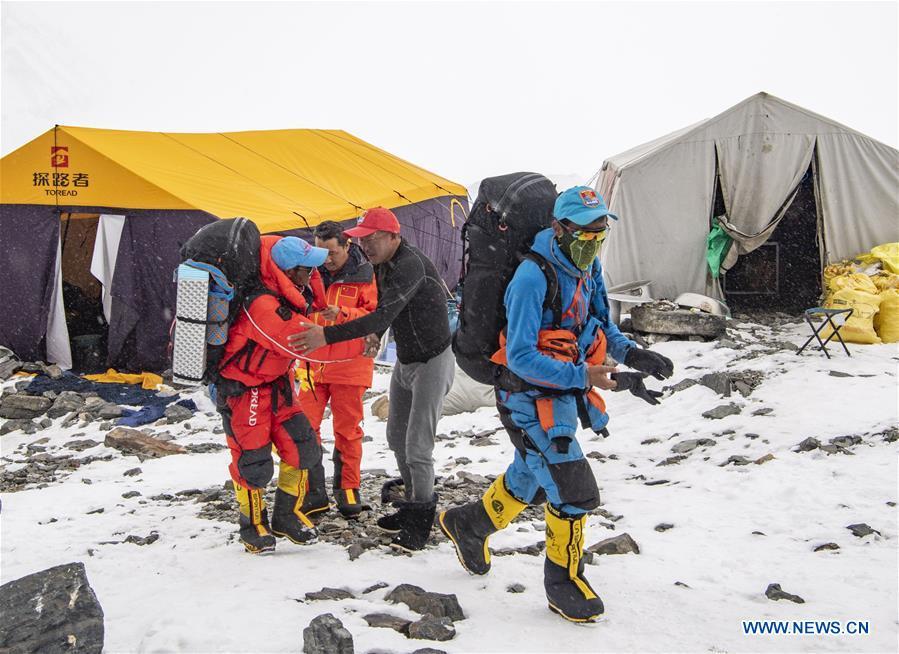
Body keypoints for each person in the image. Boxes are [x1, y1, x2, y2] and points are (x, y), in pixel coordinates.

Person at [438, 187, 673, 622]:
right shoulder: (531, 277)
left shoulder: (589, 267)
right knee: (572, 489)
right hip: (523, 397)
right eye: (584, 235)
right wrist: (586, 376)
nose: (592, 243)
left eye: (600, 234)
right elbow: (523, 356)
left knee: (530, 476)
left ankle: (468, 525)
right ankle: (563, 582)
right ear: (559, 228)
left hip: (561, 395)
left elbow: (598, 323)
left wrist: (632, 355)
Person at [290, 207, 454, 551]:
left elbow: (384, 311)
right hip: (407, 360)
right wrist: (376, 334)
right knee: (396, 435)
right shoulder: (382, 263)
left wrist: (328, 335)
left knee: (417, 445)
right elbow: (385, 315)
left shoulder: (411, 264)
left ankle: (420, 518)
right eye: (362, 239)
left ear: (394, 235)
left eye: (373, 238)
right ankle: (412, 502)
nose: (366, 245)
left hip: (433, 360)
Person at [216, 235, 361, 554]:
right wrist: (363, 343)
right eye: (307, 269)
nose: (313, 274)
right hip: (244, 390)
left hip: (276, 384)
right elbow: (307, 342)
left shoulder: (287, 296)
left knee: (303, 448)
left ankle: (285, 515)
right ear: (289, 271)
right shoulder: (263, 306)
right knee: (251, 461)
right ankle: (252, 524)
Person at [298, 220, 378, 518]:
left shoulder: (366, 275)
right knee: (305, 429)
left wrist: (342, 314)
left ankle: (348, 489)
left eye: (332, 252)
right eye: (320, 253)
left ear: (347, 246)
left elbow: (375, 315)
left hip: (350, 364)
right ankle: (312, 491)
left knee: (347, 430)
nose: (326, 259)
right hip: (310, 365)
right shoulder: (306, 273)